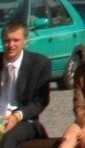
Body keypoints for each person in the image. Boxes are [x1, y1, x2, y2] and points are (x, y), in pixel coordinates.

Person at [2, 18, 54, 148]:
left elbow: (40, 101)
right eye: (7, 40)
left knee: (9, 136)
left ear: (25, 41)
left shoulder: (39, 64)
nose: (11, 45)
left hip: (23, 120)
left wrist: (17, 116)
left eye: (16, 40)